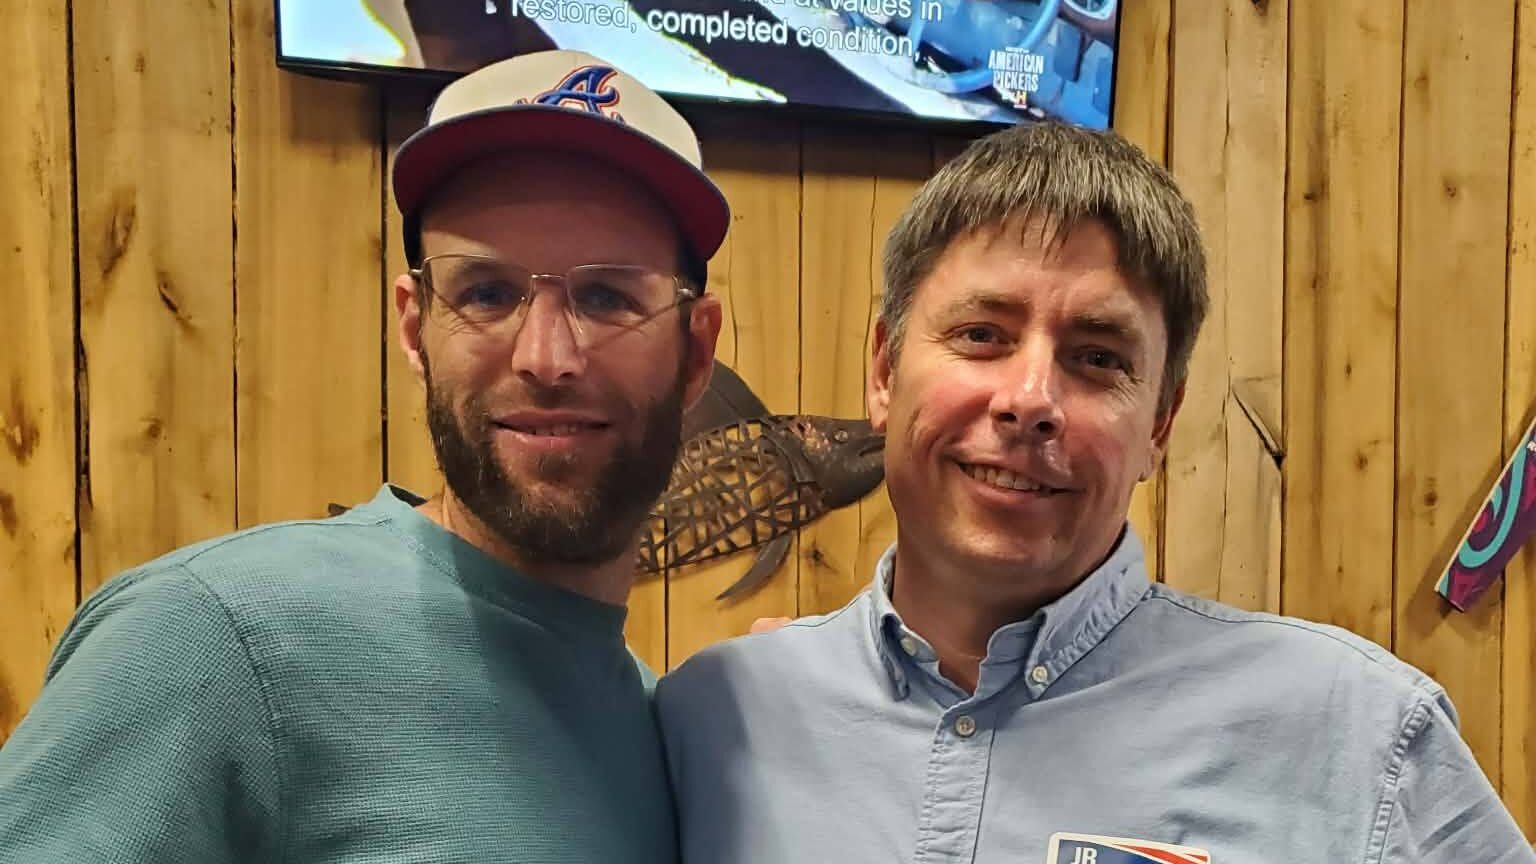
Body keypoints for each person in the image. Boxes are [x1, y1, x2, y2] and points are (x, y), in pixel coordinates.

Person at [656, 122, 1536, 862]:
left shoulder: (1359, 739)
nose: (1030, 399)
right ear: (885, 370)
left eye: (1098, 358)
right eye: (981, 334)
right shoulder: (712, 719)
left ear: (1160, 422)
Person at [0, 49, 724, 863]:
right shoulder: (214, 639)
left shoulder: (668, 736)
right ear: (416, 329)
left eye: (608, 297)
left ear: (696, 351)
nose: (546, 357)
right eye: (486, 293)